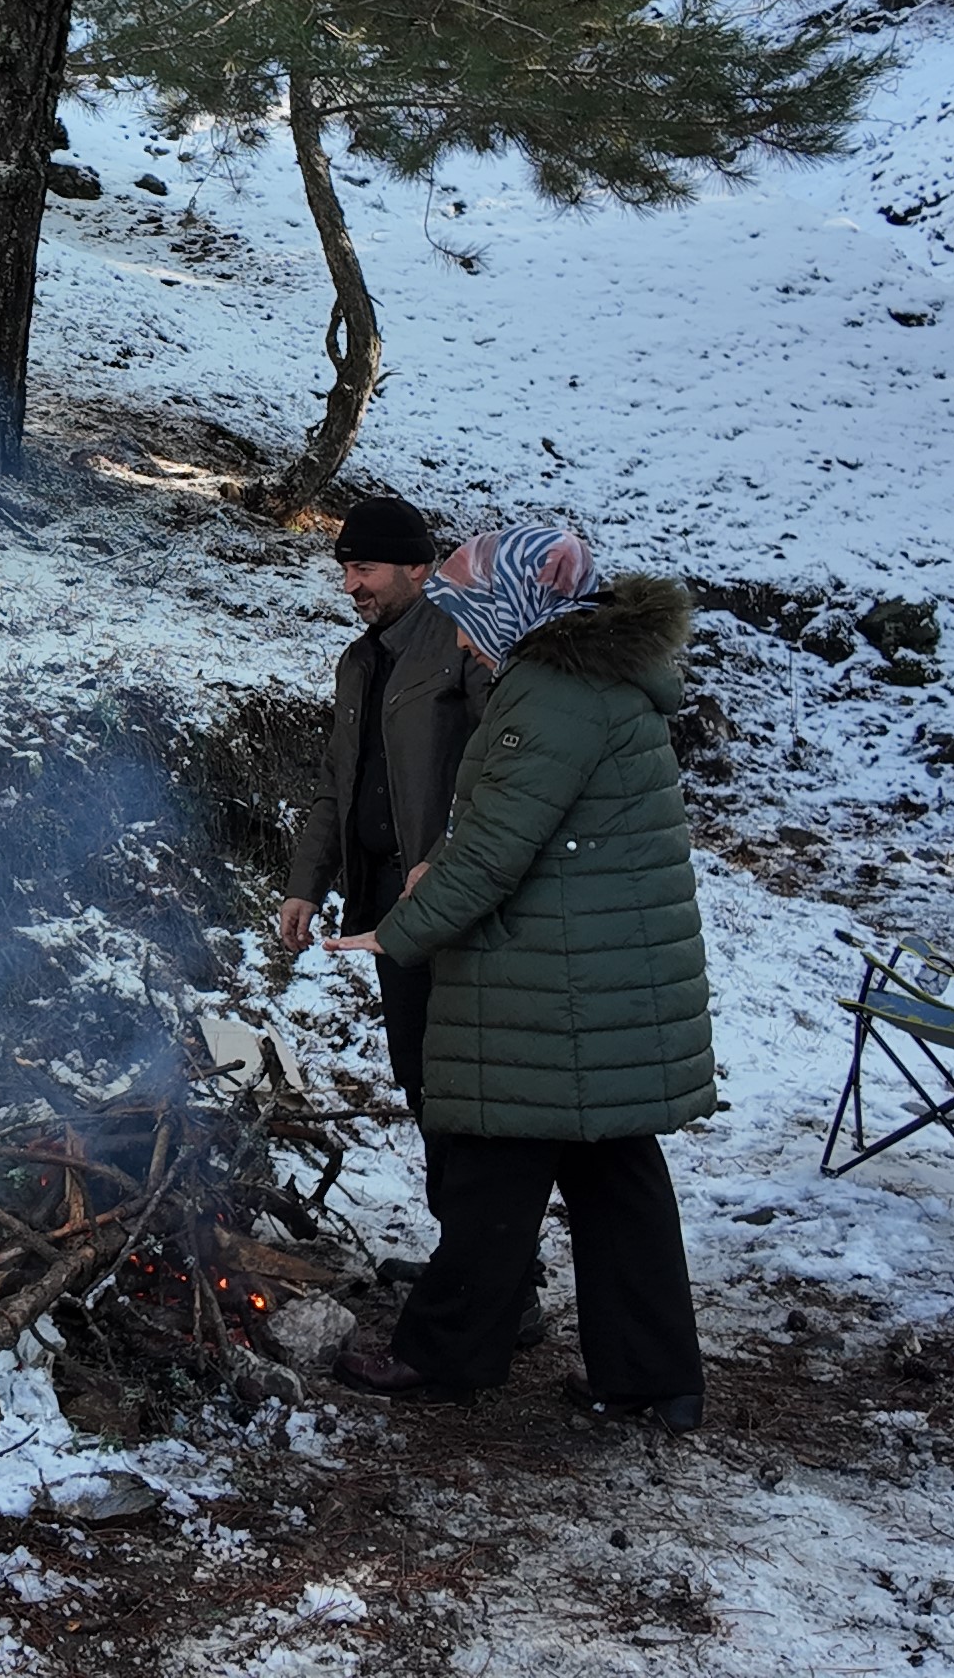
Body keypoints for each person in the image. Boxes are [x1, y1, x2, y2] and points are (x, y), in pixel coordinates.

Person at [321, 524, 713, 1428]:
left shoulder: (550, 691)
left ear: (515, 608)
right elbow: (538, 829)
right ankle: (654, 1377)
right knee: (616, 1177)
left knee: (493, 1160)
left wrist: (397, 931)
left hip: (556, 983)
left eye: (468, 618)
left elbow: (497, 850)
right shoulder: (594, 681)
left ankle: (447, 1353)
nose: (459, 639)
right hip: (604, 973)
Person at [277, 496, 491, 1116]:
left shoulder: (463, 646)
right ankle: (456, 1207)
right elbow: (336, 781)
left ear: (416, 568)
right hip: (387, 902)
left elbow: (503, 767)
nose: (350, 586)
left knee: (461, 1075)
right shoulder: (359, 661)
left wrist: (448, 857)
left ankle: (475, 1207)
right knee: (419, 1072)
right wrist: (306, 883)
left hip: (448, 893)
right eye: (345, 571)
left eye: (364, 569)